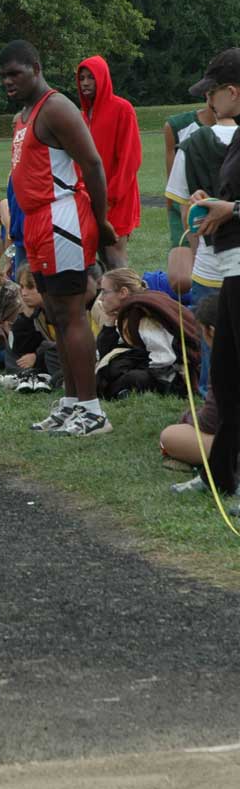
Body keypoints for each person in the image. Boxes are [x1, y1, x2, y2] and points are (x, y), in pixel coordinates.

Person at [0, 39, 116, 436]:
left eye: (15, 73)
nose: (8, 82)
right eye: (3, 76)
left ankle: (93, 409)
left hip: (61, 219)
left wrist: (101, 223)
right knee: (52, 313)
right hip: (34, 223)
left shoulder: (56, 107)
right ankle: (70, 402)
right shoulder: (23, 115)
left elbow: (93, 163)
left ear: (36, 67)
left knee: (71, 314)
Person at [172, 48, 240, 500]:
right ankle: (219, 476)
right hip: (232, 265)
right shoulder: (234, 138)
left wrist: (232, 208)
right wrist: (212, 202)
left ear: (231, 92)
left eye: (213, 94)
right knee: (228, 376)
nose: (209, 103)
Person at [164, 108, 237, 393]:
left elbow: (187, 216)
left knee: (212, 342)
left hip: (211, 265)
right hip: (215, 266)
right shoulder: (191, 142)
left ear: (230, 93)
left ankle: (211, 405)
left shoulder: (192, 145)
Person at [95, 268, 200, 401]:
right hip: (155, 363)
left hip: (175, 373)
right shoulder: (128, 313)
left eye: (104, 292)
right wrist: (109, 323)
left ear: (123, 292)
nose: (101, 298)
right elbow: (106, 351)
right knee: (113, 368)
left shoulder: (142, 315)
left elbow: (164, 359)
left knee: (130, 377)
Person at [76, 56, 142, 268]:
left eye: (91, 78)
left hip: (117, 197)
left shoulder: (122, 109)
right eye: (82, 78)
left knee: (115, 256)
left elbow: (130, 158)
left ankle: (132, 299)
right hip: (90, 197)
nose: (85, 83)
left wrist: (111, 194)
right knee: (100, 259)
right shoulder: (82, 116)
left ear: (102, 78)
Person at [160, 293, 221, 470]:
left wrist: (188, 417)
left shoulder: (223, 360)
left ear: (211, 331)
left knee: (170, 436)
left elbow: (210, 422)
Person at [163, 96, 216, 248]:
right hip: (186, 205)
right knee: (184, 264)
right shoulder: (178, 126)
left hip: (223, 207)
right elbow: (172, 181)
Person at [5, 265, 60, 391]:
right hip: (44, 356)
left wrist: (36, 356)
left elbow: (65, 343)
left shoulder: (59, 308)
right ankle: (29, 375)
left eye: (31, 287)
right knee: (10, 345)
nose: (24, 293)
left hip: (61, 356)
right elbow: (20, 346)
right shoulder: (37, 310)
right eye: (22, 287)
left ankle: (42, 376)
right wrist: (26, 315)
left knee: (50, 351)